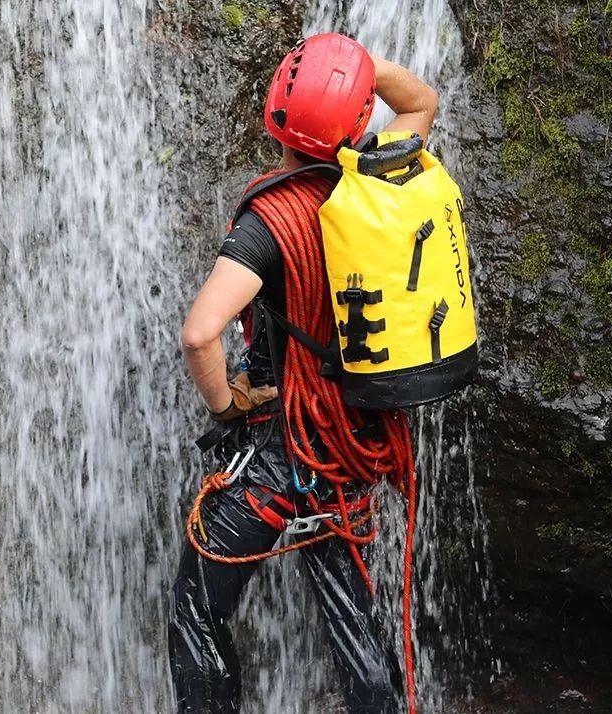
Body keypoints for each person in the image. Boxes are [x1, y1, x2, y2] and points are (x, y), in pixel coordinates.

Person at [169, 33, 438, 713]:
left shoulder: (270, 220)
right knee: (357, 634)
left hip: (277, 455)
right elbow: (422, 102)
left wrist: (229, 405)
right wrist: (356, 74)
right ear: (354, 124)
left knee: (197, 612)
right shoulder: (377, 182)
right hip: (344, 446)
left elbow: (201, 334)